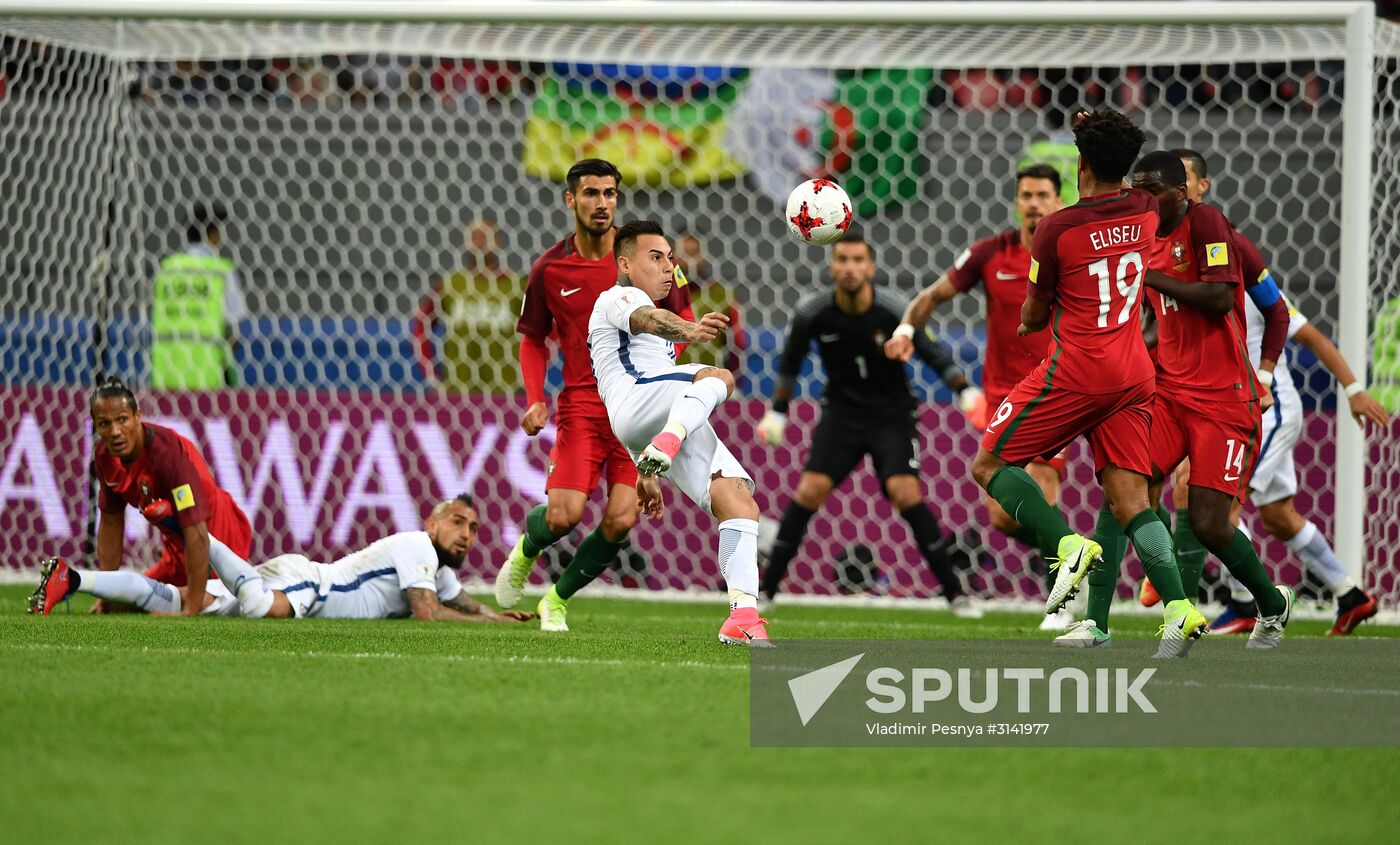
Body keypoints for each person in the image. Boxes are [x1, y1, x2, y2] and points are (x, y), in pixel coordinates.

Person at [968, 108, 1207, 658]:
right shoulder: (1146, 209)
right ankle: (1178, 607)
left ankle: (1066, 545)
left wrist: (1028, 320)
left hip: (1078, 369)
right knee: (1131, 501)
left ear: (1081, 165)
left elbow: (1034, 314)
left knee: (989, 464)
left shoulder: (1056, 228)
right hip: (1134, 373)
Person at [1139, 149, 1388, 636]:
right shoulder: (1170, 249)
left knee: (1211, 502)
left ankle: (1241, 600)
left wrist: (1342, 386)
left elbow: (1297, 326)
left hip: (1259, 401)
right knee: (1276, 517)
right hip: (1212, 395)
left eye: (1183, 179)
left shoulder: (1233, 254)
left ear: (1198, 187)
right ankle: (1350, 594)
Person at [494, 159, 694, 632]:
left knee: (621, 520)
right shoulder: (549, 269)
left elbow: (684, 317)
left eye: (610, 193)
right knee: (564, 516)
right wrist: (535, 398)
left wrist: (661, 364)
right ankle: (528, 547)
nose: (602, 203)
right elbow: (532, 338)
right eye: (591, 193)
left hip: (637, 403)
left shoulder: (649, 256)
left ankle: (556, 600)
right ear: (571, 199)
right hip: (583, 406)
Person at [885, 163, 1077, 630]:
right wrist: (906, 329)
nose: (1034, 204)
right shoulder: (990, 253)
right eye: (1026, 195)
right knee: (1003, 517)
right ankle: (1074, 554)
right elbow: (933, 295)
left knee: (1041, 490)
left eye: (1043, 195)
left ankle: (1064, 601)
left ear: (1058, 201)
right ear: (1016, 202)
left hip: (1055, 390)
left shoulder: (1070, 254)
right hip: (1003, 397)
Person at [755, 229, 976, 614]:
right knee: (809, 491)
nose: (850, 268)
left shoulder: (895, 310)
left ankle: (956, 595)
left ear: (871, 267)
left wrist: (965, 390)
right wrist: (777, 411)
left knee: (905, 493)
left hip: (892, 415)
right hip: (841, 414)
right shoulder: (812, 311)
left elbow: (932, 352)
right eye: (842, 260)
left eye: (858, 260)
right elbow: (790, 361)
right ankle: (766, 592)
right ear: (831, 267)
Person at [587, 219, 770, 646]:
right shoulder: (616, 298)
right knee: (718, 376)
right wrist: (690, 329)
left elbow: (649, 403)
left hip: (652, 417)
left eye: (670, 258)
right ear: (625, 264)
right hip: (641, 399)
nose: (668, 266)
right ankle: (669, 441)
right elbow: (648, 319)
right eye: (655, 257)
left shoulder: (659, 340)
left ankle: (743, 616)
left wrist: (644, 469)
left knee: (738, 501)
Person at [32, 495, 533, 623]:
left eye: (473, 529)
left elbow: (458, 600)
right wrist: (486, 627)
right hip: (311, 585)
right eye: (458, 522)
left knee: (174, 600)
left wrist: (496, 617)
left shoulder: (435, 568)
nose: (466, 535)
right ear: (432, 523)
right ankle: (186, 530)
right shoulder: (417, 545)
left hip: (292, 575)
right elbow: (428, 613)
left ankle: (73, 578)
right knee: (260, 610)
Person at [83, 375, 253, 616]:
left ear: (137, 416)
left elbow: (198, 533)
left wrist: (190, 610)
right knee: (121, 604)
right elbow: (111, 524)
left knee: (206, 604)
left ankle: (218, 596)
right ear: (95, 425)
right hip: (177, 547)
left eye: (122, 419)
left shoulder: (166, 453)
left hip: (216, 536)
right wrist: (106, 594)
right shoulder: (104, 456)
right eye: (104, 423)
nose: (115, 431)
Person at [411, 218, 525, 394]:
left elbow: (549, 330)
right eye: (474, 237)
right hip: (458, 391)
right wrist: (431, 377)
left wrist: (531, 375)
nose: (479, 242)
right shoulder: (451, 284)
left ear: (497, 241)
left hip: (507, 392)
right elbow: (421, 326)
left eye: (484, 236)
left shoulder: (516, 285)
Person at [150, 202, 245, 389]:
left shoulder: (167, 269)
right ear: (213, 234)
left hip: (166, 377)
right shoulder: (220, 271)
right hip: (207, 378)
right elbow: (233, 330)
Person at [675, 233, 747, 375]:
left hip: (711, 376)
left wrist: (734, 379)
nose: (690, 260)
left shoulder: (723, 294)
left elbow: (737, 342)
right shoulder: (664, 293)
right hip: (672, 375)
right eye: (685, 253)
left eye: (694, 253)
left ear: (705, 255)